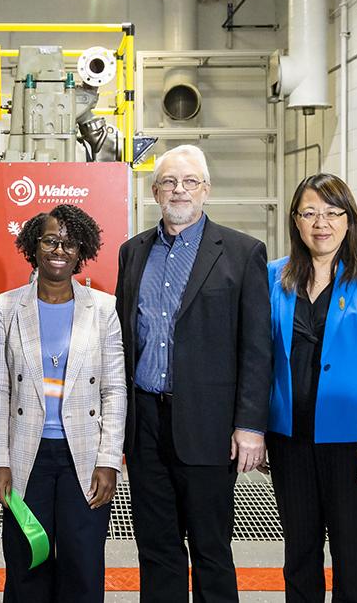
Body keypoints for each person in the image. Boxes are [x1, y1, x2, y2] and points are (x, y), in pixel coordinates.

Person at [115, 144, 272, 602]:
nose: (179, 190)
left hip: (210, 425)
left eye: (189, 182)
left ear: (206, 189)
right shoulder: (133, 252)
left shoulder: (243, 254)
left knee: (210, 548)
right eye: (168, 182)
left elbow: (256, 348)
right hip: (144, 424)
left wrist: (249, 425)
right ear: (154, 191)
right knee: (156, 548)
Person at [265, 174, 357, 602]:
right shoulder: (274, 276)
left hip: (351, 444)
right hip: (289, 439)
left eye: (331, 212)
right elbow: (258, 357)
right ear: (295, 221)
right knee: (299, 553)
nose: (320, 223)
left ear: (349, 220)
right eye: (309, 213)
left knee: (351, 553)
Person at [0, 204, 126, 603]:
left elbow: (115, 390)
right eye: (50, 240)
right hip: (27, 454)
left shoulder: (103, 309)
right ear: (34, 245)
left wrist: (108, 460)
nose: (59, 249)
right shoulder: (8, 307)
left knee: (82, 566)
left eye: (69, 242)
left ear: (82, 250)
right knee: (28, 561)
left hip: (83, 454)